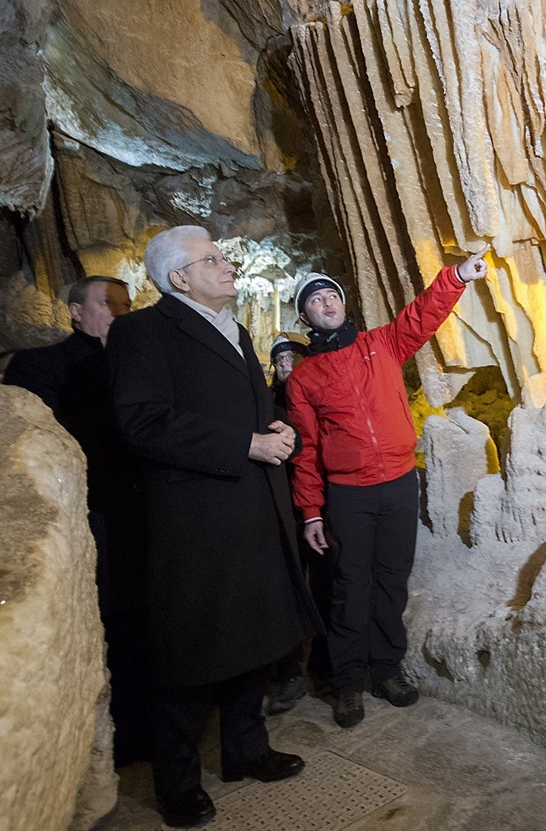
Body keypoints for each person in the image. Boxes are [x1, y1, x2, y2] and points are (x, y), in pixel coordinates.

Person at [106, 226, 322, 829]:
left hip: (253, 506)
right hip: (196, 517)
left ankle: (245, 749)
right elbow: (142, 420)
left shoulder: (237, 331)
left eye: (224, 257)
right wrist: (244, 443)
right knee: (192, 650)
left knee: (253, 634)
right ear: (179, 278)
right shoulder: (141, 332)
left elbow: (253, 408)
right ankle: (175, 783)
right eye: (213, 259)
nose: (228, 266)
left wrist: (280, 430)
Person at [286, 246, 489, 729]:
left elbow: (423, 316)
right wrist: (311, 510)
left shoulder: (382, 344)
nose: (325, 303)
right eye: (314, 301)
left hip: (398, 482)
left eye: (329, 295)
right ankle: (348, 681)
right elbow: (307, 450)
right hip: (349, 494)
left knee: (391, 581)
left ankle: (387, 669)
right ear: (305, 316)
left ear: (342, 302)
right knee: (350, 587)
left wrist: (456, 276)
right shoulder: (304, 378)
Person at [3, 276, 153, 767]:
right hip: (89, 515)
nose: (119, 312)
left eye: (125, 305)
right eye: (107, 303)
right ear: (74, 312)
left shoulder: (146, 363)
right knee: (104, 620)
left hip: (143, 511)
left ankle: (147, 726)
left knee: (144, 618)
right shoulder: (39, 364)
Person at [265, 332, 314, 715]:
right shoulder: (264, 403)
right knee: (283, 587)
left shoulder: (316, 393)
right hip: (281, 510)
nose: (286, 364)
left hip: (316, 504)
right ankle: (288, 670)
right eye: (280, 359)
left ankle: (327, 668)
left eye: (292, 357)